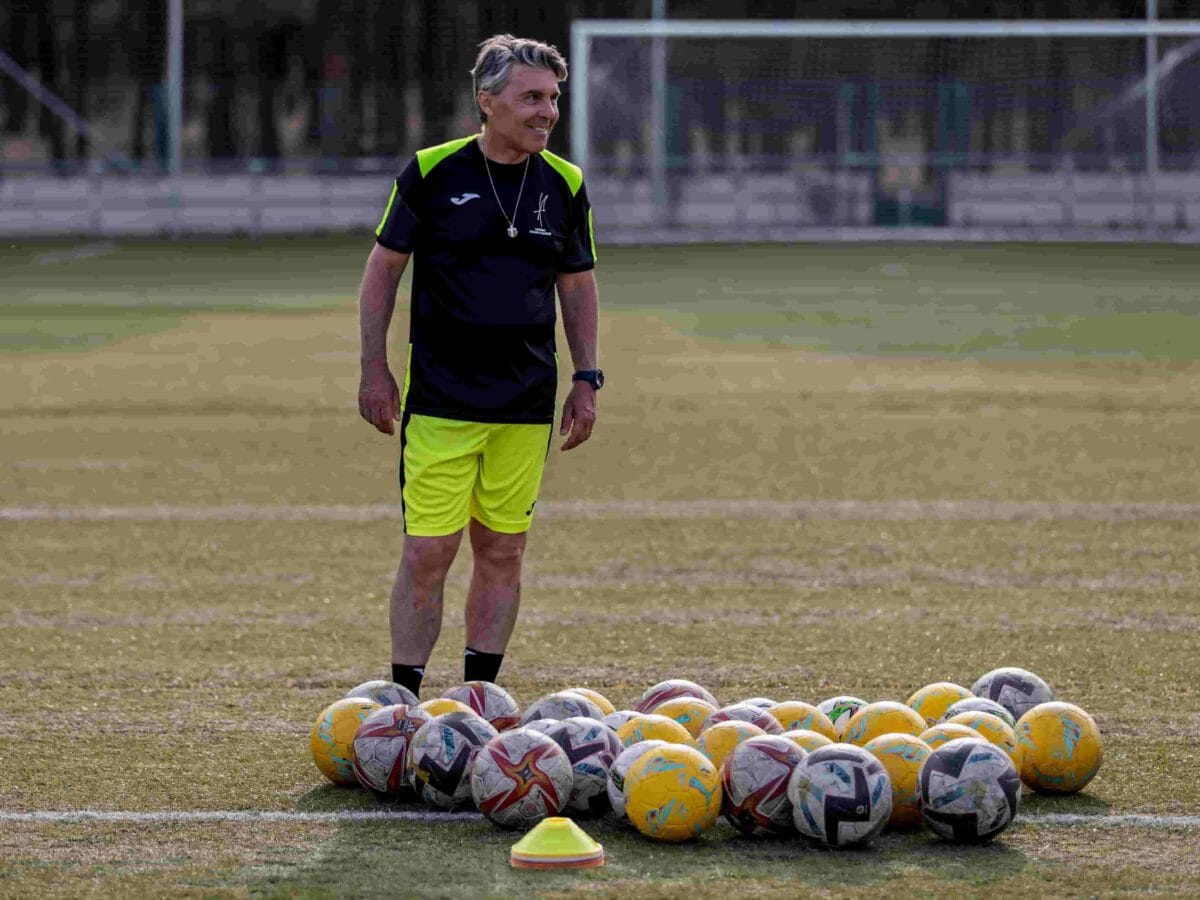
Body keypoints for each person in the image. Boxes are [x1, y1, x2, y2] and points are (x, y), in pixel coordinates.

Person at [356, 34, 601, 698]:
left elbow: (576, 285)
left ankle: (478, 701)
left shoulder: (565, 183)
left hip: (525, 403)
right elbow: (384, 271)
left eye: (552, 98)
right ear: (487, 102)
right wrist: (373, 366)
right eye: (530, 98)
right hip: (439, 402)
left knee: (503, 551)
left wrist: (587, 377)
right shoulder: (432, 171)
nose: (547, 111)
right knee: (427, 552)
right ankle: (404, 699)